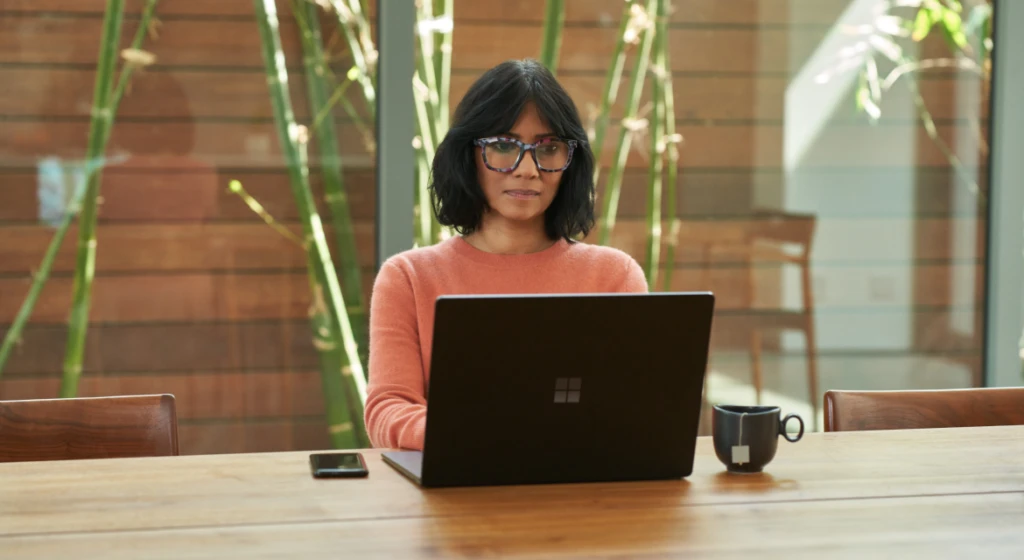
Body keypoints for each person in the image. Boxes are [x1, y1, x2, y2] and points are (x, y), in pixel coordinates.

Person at [365, 59, 648, 450]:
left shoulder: (614, 275)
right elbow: (388, 408)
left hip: (583, 491)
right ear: (467, 156)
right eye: (503, 145)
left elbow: (639, 408)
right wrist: (487, 435)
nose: (528, 169)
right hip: (451, 496)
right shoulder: (408, 277)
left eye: (548, 148)